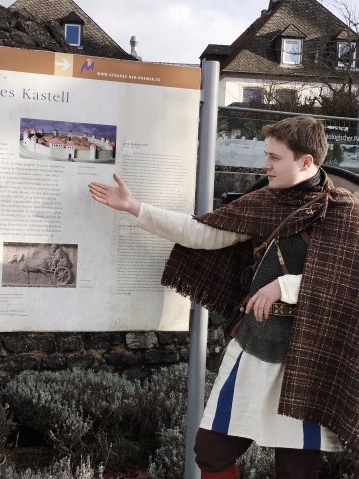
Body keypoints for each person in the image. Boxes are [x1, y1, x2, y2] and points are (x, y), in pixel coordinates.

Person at [88, 116, 359, 478]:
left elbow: (348, 284)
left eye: (275, 158)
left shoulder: (345, 213)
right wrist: (135, 208)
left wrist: (286, 286)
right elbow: (202, 232)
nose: (265, 165)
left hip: (309, 358)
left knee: (295, 471)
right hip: (257, 347)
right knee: (211, 452)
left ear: (306, 161)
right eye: (266, 155)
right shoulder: (264, 202)